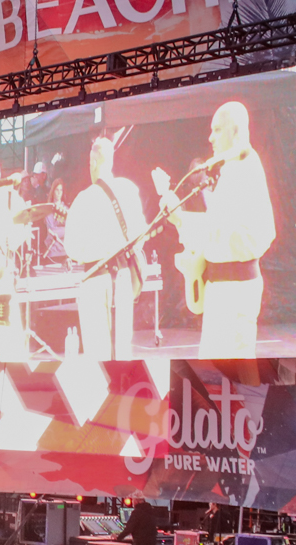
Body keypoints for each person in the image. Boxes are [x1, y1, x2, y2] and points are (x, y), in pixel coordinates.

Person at [151, 100, 277, 359]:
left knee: (220, 372)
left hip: (232, 289)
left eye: (218, 130)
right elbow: (221, 230)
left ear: (237, 131)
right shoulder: (237, 167)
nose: (210, 138)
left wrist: (180, 219)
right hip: (229, 288)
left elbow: (219, 231)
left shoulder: (241, 169)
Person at [62, 135, 150, 360]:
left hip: (94, 280)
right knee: (121, 351)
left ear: (92, 163)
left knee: (97, 355)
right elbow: (141, 236)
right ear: (111, 162)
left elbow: (71, 248)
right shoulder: (129, 191)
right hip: (123, 279)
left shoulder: (83, 199)